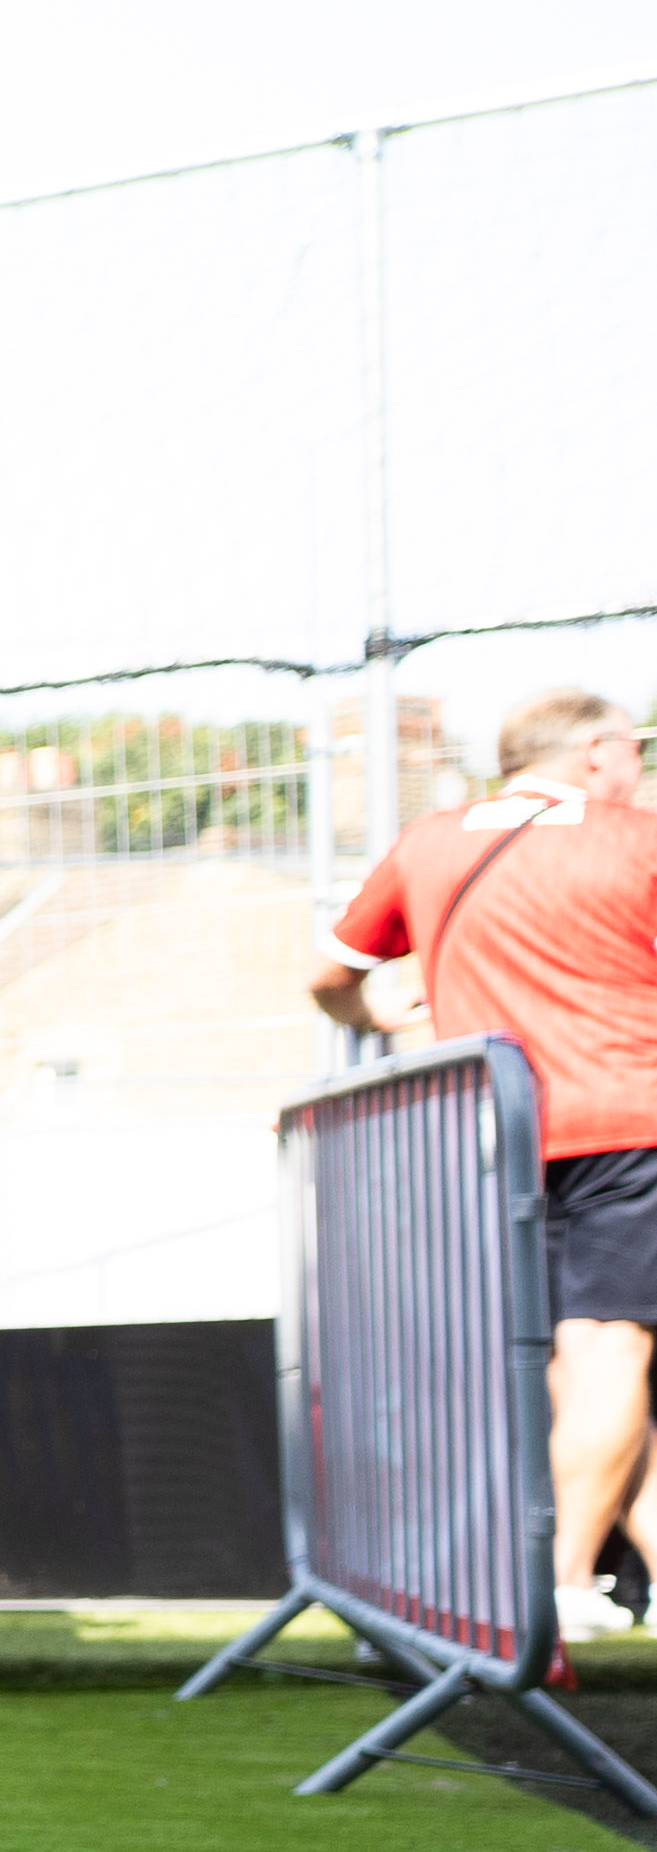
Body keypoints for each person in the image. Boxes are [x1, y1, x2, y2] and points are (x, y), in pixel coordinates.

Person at [311, 691, 657, 1629]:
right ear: (595, 752)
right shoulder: (635, 836)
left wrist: (378, 1017)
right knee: (611, 1351)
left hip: (498, 1136)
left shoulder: (431, 840)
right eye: (634, 749)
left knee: (573, 1363)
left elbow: (329, 976)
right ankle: (566, 1583)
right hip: (631, 1120)